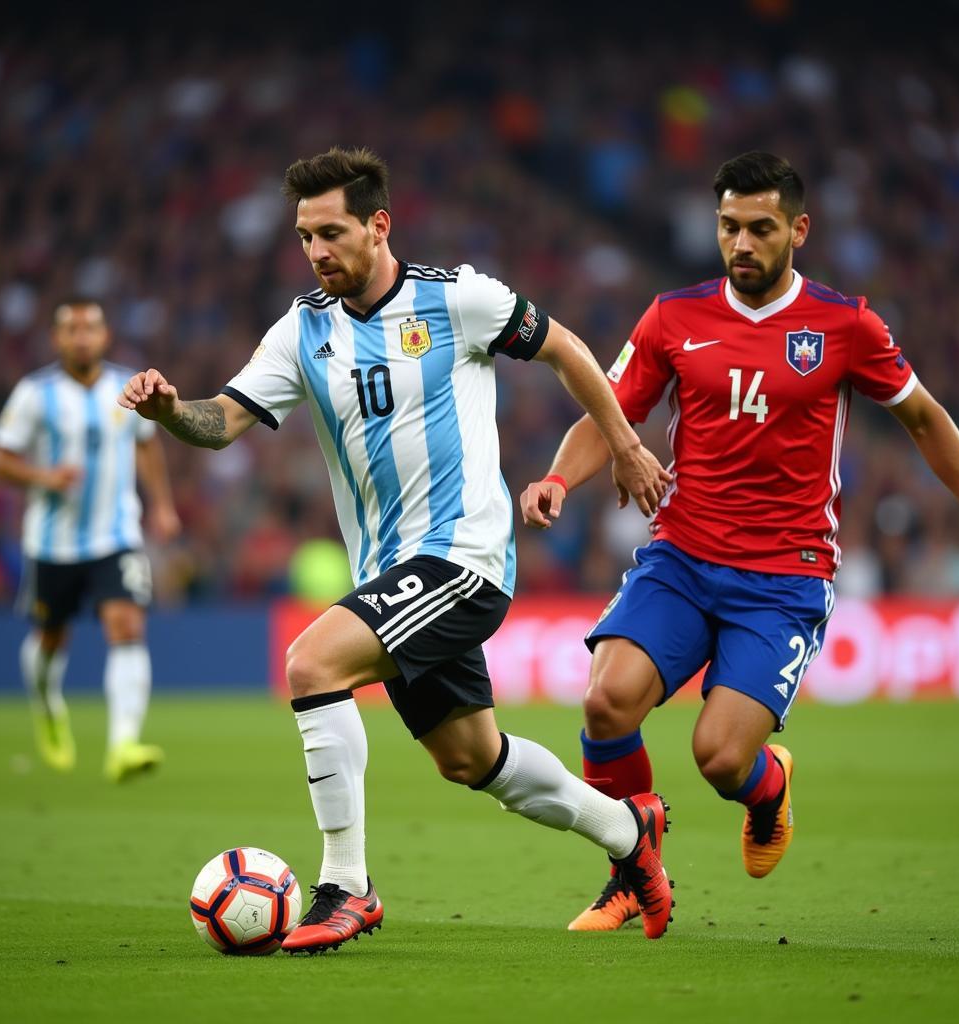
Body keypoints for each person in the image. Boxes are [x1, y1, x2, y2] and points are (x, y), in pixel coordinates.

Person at [118, 146, 677, 952]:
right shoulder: (302, 330)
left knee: (313, 664)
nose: (317, 252)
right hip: (391, 576)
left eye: (332, 233)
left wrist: (623, 443)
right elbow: (222, 422)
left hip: (464, 562)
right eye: (306, 236)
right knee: (472, 758)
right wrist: (172, 410)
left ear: (378, 226)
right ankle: (631, 835)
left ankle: (347, 886)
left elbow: (566, 349)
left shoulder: (460, 300)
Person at [521, 151, 959, 932]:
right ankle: (629, 867)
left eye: (760, 229)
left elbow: (925, 418)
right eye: (729, 227)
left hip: (783, 577)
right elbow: (610, 411)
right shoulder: (673, 317)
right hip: (681, 556)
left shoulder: (846, 325)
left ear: (797, 231)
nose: (741, 244)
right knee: (606, 701)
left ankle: (767, 785)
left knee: (719, 758)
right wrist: (556, 479)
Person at [0, 298, 181, 781]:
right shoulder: (35, 394)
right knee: (51, 638)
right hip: (51, 543)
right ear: (57, 339)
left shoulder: (127, 387)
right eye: (71, 330)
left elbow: (147, 444)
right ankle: (47, 705)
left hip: (115, 535)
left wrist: (161, 504)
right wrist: (44, 476)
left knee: (127, 625)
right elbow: (1, 460)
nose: (81, 337)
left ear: (104, 336)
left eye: (90, 328)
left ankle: (124, 745)